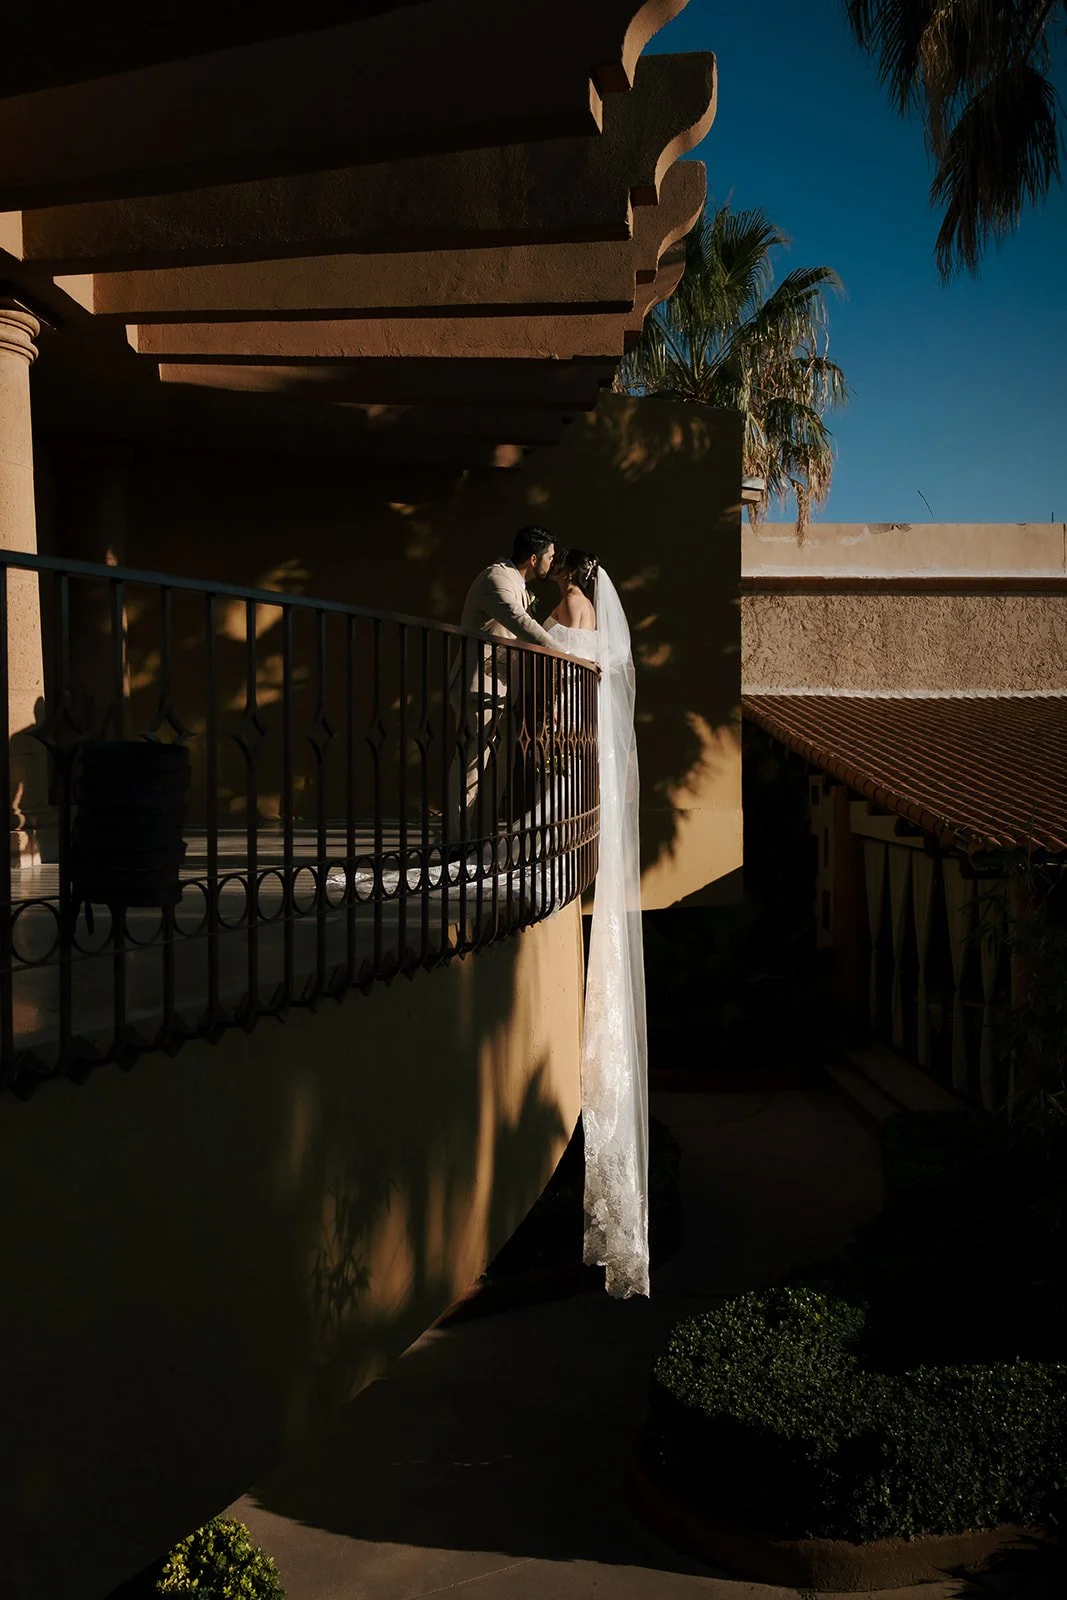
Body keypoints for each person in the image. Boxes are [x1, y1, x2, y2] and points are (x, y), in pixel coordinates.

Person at [543, 548, 650, 1300]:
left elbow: (560, 650)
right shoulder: (590, 616)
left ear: (574, 578)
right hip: (573, 737)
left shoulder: (573, 610)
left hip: (564, 730)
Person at [450, 526, 556, 837]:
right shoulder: (495, 578)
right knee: (471, 766)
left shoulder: (514, 580)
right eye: (550, 556)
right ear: (534, 558)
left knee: (495, 766)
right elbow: (519, 621)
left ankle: (480, 836)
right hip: (477, 686)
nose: (552, 562)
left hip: (499, 688)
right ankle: (457, 839)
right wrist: (562, 651)